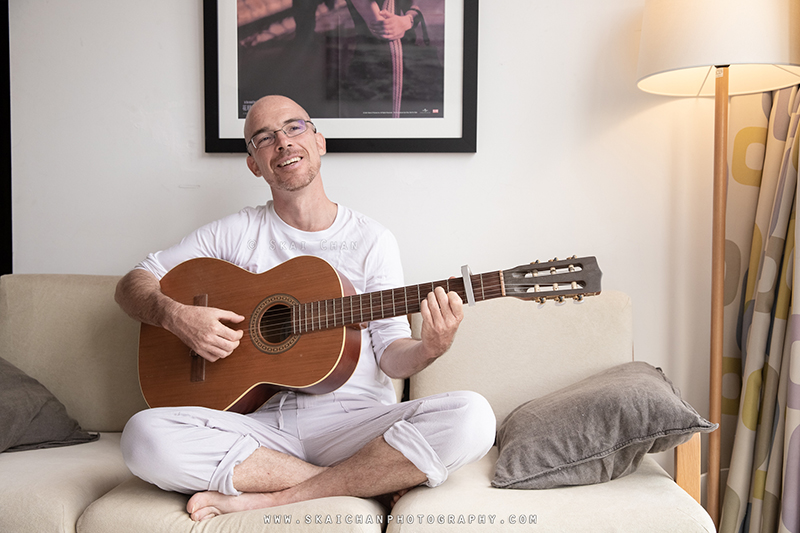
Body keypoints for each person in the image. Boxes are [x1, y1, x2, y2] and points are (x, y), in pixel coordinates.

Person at [116, 95, 495, 521]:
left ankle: (276, 497)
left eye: (294, 128)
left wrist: (430, 347)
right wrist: (176, 316)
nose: (282, 142)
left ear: (319, 142)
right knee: (142, 436)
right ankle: (353, 481)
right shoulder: (237, 232)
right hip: (261, 427)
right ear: (254, 164)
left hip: (353, 423)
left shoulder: (372, 239)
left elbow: (392, 356)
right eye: (264, 137)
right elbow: (133, 282)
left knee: (474, 417)